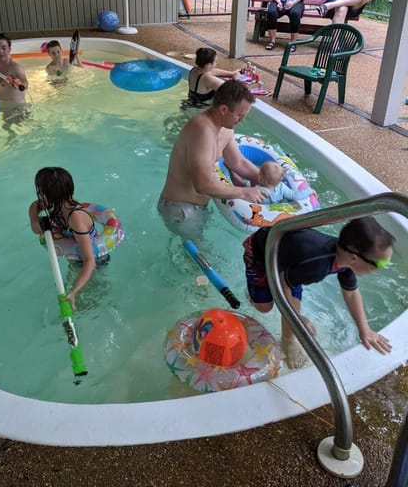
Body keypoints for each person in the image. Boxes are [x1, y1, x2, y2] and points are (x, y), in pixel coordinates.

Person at [243, 216, 394, 369]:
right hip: (261, 252)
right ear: (354, 258)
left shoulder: (345, 262)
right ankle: (254, 295)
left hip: (291, 264)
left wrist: (365, 329)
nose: (379, 270)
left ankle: (287, 341)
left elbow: (351, 293)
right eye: (380, 264)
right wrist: (298, 318)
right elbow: (283, 284)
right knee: (265, 307)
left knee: (293, 304)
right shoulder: (317, 264)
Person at [158, 80, 267, 240]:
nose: (243, 120)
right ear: (223, 109)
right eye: (240, 115)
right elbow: (203, 184)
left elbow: (238, 163)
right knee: (199, 256)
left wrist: (269, 181)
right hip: (180, 209)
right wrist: (244, 192)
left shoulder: (225, 129)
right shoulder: (201, 129)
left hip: (196, 207)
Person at [29, 167, 101, 311]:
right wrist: (34, 220)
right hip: (75, 258)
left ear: (49, 195)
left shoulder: (75, 218)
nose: (40, 196)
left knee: (89, 298)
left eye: (41, 192)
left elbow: (90, 260)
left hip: (94, 263)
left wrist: (74, 291)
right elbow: (35, 206)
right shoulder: (58, 203)